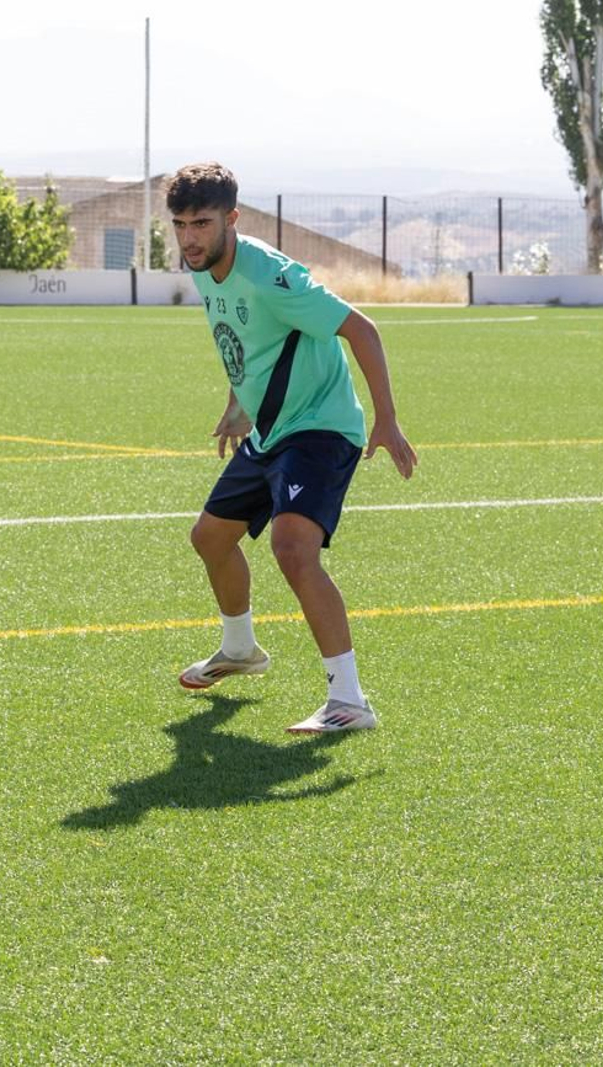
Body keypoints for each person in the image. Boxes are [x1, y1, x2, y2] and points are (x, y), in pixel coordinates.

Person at [167, 162, 417, 733]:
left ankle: (349, 701)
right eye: (180, 225)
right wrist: (238, 402)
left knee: (293, 549)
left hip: (321, 427)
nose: (189, 238)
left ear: (232, 218)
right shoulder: (204, 268)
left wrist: (387, 420)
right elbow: (245, 341)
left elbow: (362, 329)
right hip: (272, 430)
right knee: (210, 538)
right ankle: (240, 649)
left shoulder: (269, 275)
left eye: (201, 224)